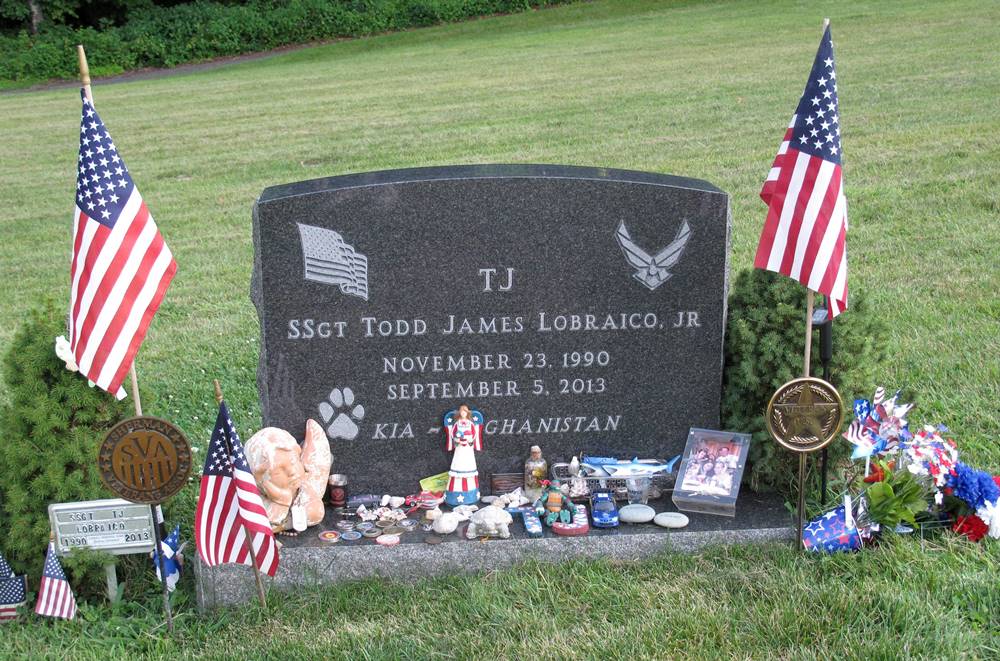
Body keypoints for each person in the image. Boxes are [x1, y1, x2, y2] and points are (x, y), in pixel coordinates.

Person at [445, 404, 483, 506]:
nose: (463, 413)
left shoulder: (470, 423)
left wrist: (468, 439)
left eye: (465, 411)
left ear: (467, 413)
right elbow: (453, 433)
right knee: (458, 462)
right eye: (461, 411)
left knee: (468, 463)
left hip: (468, 448)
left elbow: (474, 434)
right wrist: (458, 439)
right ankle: (454, 495)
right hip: (459, 448)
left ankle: (471, 495)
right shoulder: (457, 423)